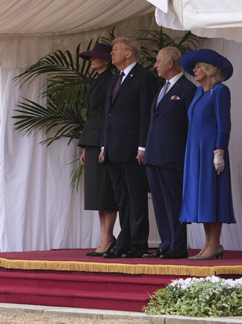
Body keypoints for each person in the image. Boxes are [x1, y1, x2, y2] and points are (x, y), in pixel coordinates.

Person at [99, 37, 157, 258]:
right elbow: (108, 115)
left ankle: (138, 243)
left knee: (136, 197)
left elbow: (146, 114)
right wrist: (104, 145)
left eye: (115, 50)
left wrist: (143, 146)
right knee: (122, 199)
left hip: (133, 148)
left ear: (129, 53)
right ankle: (124, 242)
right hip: (113, 148)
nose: (111, 53)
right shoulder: (116, 79)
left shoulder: (144, 78)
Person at [179, 49, 235, 260]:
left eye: (198, 67)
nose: (194, 70)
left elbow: (224, 124)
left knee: (212, 194)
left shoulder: (220, 91)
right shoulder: (199, 92)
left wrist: (219, 150)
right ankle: (208, 243)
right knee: (201, 197)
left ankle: (215, 243)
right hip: (195, 151)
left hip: (211, 149)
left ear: (209, 70)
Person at [143, 47, 196, 259]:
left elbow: (191, 126)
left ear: (170, 63)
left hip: (173, 156)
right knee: (159, 203)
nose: (155, 65)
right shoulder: (162, 89)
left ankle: (178, 245)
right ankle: (166, 243)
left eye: (158, 61)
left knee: (173, 202)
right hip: (154, 155)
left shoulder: (188, 89)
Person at [77, 43, 117, 256]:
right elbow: (91, 115)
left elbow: (109, 115)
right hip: (92, 139)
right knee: (96, 194)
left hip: (104, 139)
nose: (91, 60)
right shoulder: (97, 81)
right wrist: (85, 145)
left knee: (105, 191)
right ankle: (104, 236)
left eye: (95, 57)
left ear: (107, 60)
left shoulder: (112, 81)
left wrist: (104, 144)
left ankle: (108, 237)